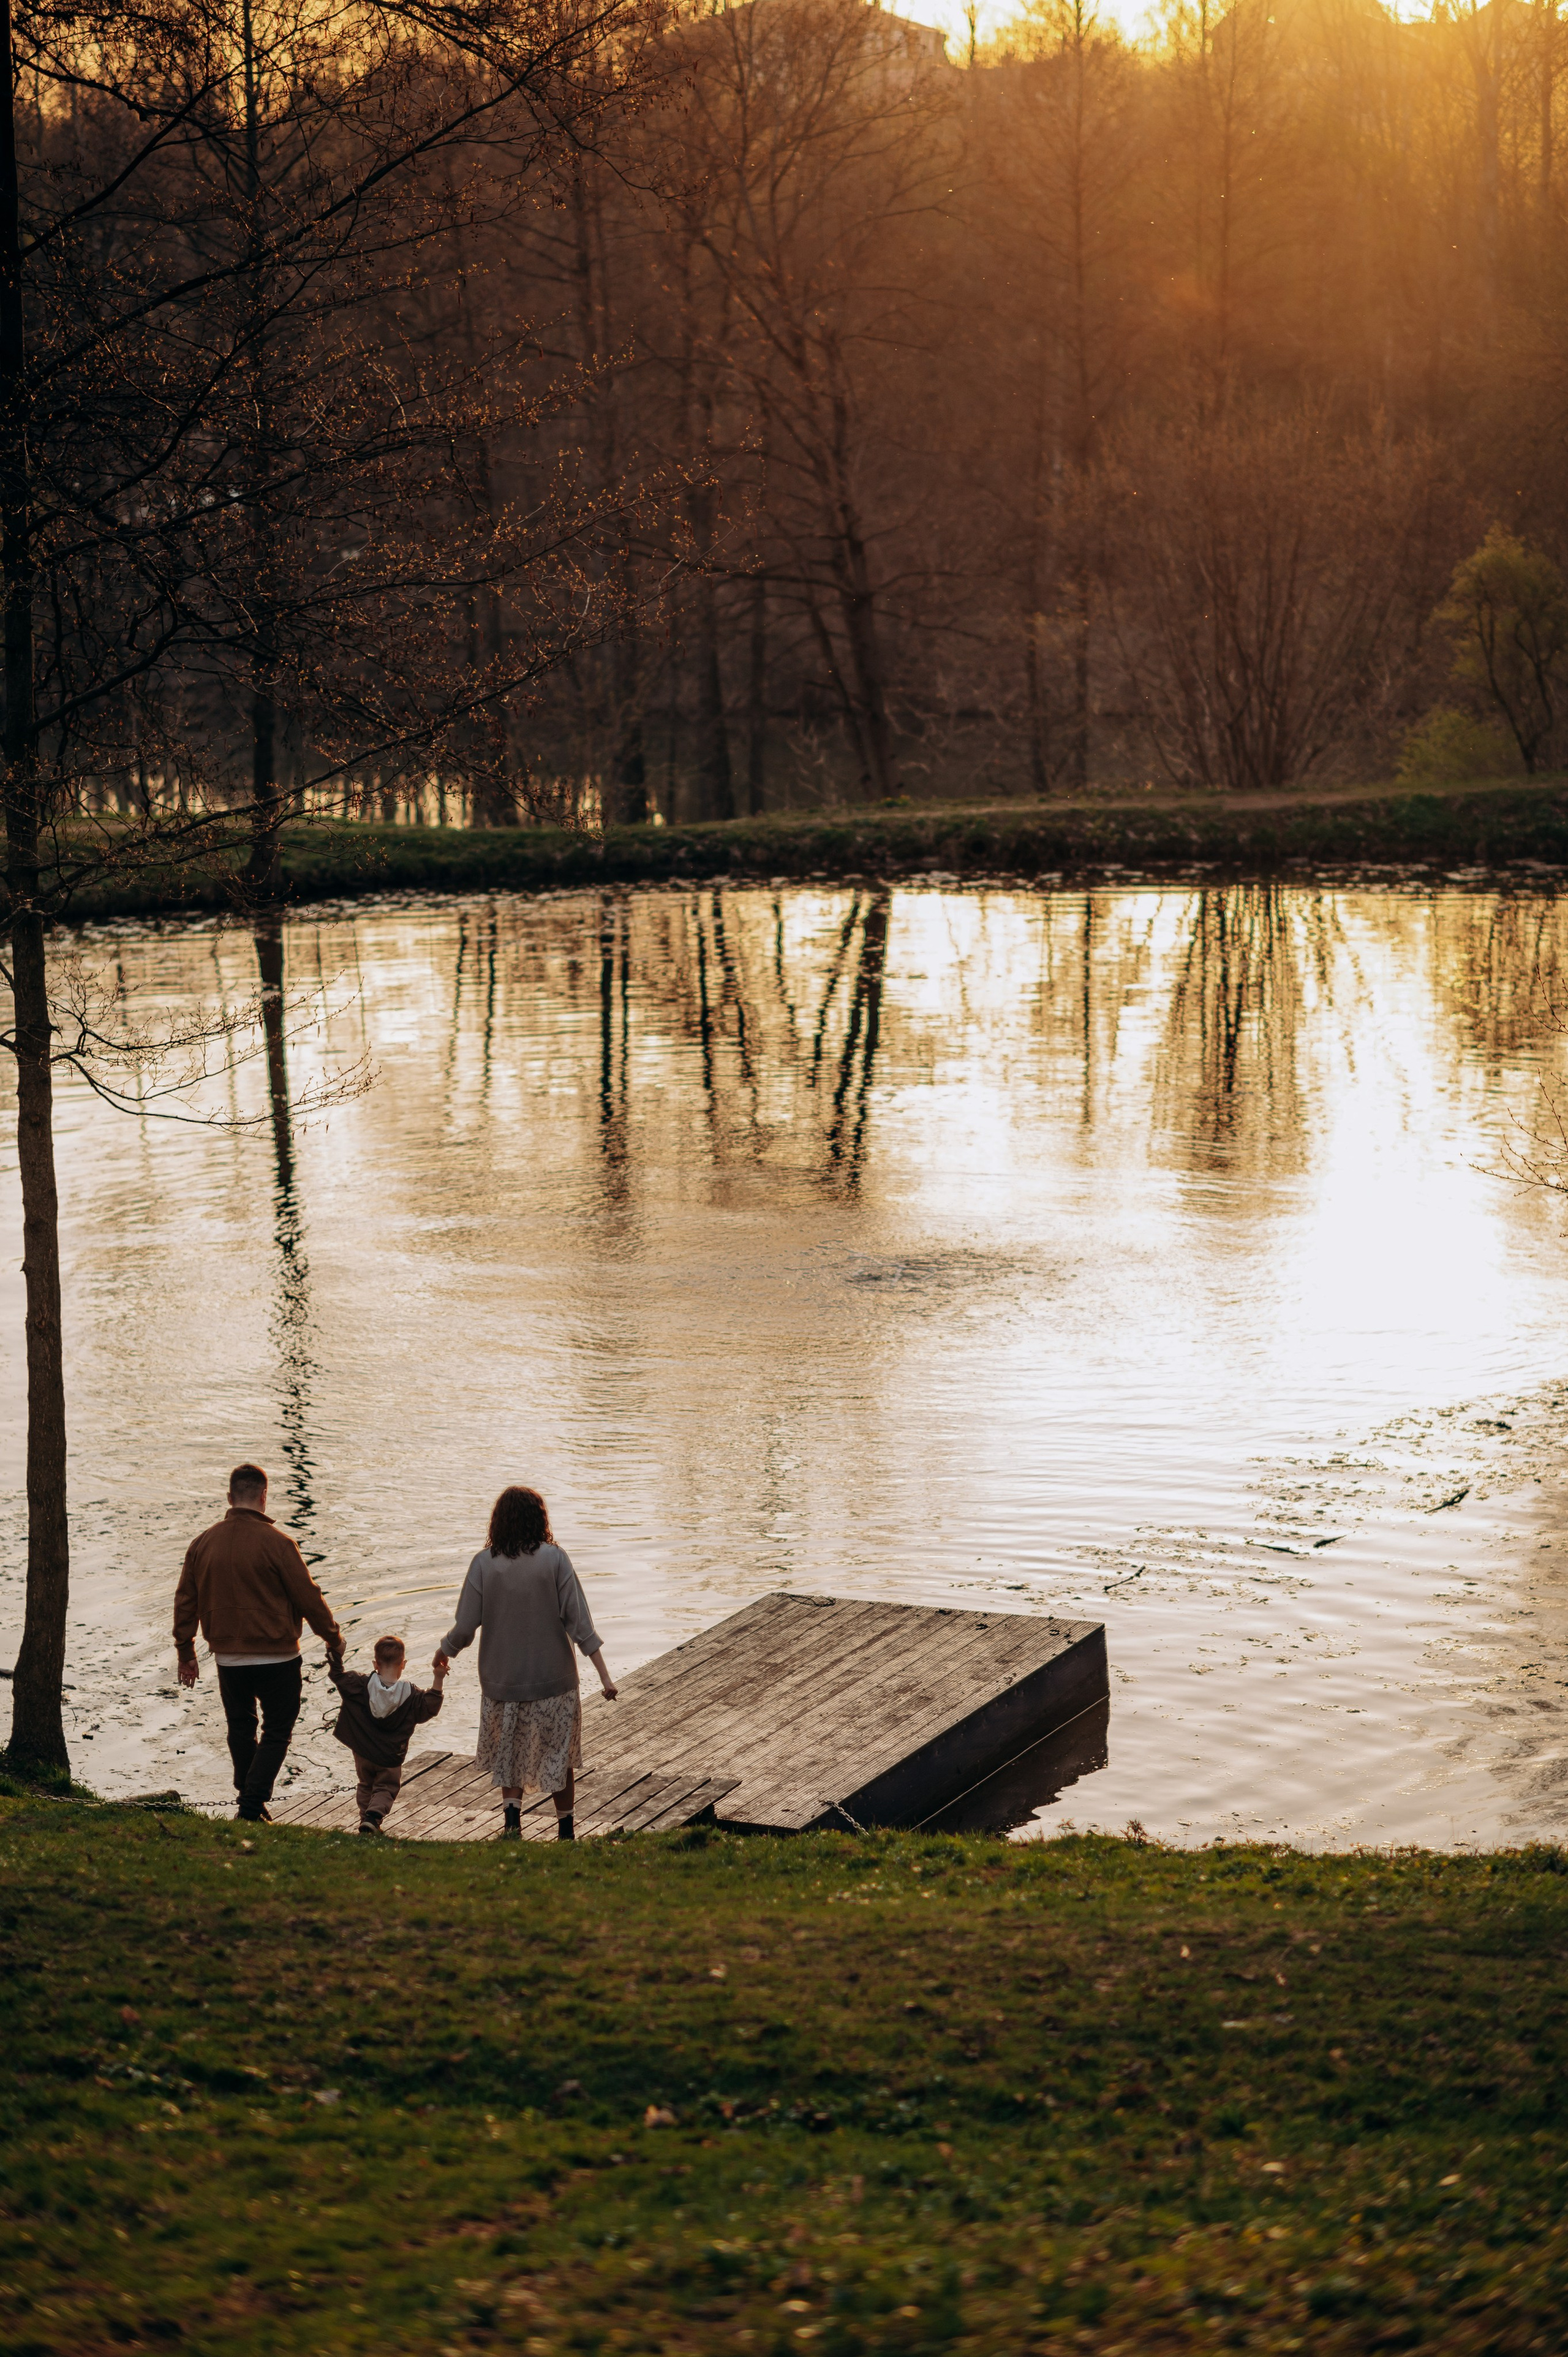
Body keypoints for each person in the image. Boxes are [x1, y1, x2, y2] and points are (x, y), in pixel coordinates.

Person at [438, 1485, 616, 1840]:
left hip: (503, 1682)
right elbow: (581, 1625)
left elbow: (465, 1626)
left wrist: (446, 1650)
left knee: (510, 1754)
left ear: (499, 1522)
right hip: (555, 1681)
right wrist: (604, 1677)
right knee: (559, 1756)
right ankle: (566, 1832)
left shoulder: (483, 1564)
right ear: (540, 1519)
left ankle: (512, 1827)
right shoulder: (555, 1559)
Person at [173, 1461, 343, 1822]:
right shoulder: (280, 1544)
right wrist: (333, 1638)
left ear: (230, 1497)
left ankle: (250, 1801)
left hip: (228, 1658)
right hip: (278, 1657)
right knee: (278, 1730)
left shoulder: (202, 1544)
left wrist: (186, 1651)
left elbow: (185, 1601)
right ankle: (251, 1807)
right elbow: (308, 1597)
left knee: (241, 1727)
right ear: (264, 1497)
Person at [328, 1635, 447, 1835]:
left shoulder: (360, 1684)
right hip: (390, 1756)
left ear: (376, 1664)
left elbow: (339, 1676)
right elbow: (430, 1708)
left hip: (363, 1753)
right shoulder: (412, 1695)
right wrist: (438, 1678)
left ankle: (366, 1821)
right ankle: (373, 1819)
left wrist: (334, 1654)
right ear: (403, 1664)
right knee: (386, 1788)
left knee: (366, 1784)